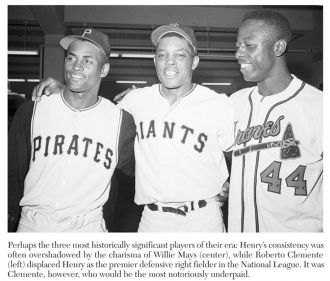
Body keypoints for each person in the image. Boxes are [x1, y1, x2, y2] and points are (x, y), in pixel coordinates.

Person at [31, 23, 235, 232]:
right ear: (155, 60)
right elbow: (95, 114)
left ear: (195, 62)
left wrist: (232, 184)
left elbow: (238, 154)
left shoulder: (218, 104)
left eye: (180, 55)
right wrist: (67, 90)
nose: (170, 62)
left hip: (203, 219)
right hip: (152, 219)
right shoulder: (136, 100)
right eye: (162, 55)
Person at [8, 28, 136, 232]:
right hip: (33, 226)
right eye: (71, 58)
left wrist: (146, 104)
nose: (76, 67)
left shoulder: (121, 120)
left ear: (103, 70)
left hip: (87, 228)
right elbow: (11, 174)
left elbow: (145, 170)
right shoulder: (32, 110)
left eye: (88, 61)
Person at [228, 10, 323, 232]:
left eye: (249, 45)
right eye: (237, 46)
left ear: (278, 47)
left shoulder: (319, 107)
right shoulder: (234, 104)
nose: (238, 53)